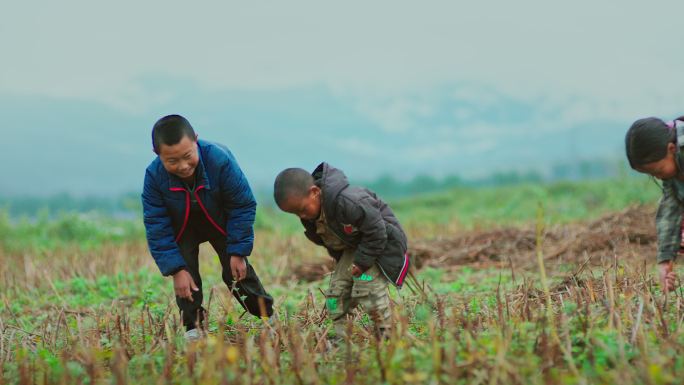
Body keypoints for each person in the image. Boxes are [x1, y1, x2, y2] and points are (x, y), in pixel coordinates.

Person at [142, 114, 273, 340]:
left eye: (187, 156)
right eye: (172, 162)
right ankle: (193, 329)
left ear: (196, 140)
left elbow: (242, 205)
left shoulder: (219, 160)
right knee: (186, 280)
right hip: (182, 228)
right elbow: (157, 225)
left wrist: (238, 251)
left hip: (220, 220)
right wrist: (176, 269)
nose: (183, 166)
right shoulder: (154, 176)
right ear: (158, 154)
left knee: (237, 274)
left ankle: (268, 318)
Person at [273, 163, 410, 340]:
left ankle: (386, 333)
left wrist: (361, 264)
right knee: (334, 295)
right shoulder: (311, 217)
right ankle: (341, 335)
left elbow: (378, 232)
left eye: (302, 209)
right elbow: (332, 243)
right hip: (354, 250)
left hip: (381, 245)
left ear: (315, 192)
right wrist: (344, 264)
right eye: (295, 214)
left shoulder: (350, 202)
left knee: (366, 288)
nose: (302, 216)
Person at [625, 116, 684, 293]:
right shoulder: (674, 168)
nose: (658, 177)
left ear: (671, 149)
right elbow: (670, 209)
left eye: (657, 171)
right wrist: (665, 261)